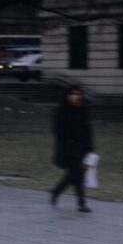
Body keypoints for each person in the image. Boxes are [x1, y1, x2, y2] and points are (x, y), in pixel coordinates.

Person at [50, 85, 95, 213]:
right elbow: (58, 131)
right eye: (74, 94)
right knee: (78, 174)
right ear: (67, 95)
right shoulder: (61, 111)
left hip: (81, 148)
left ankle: (56, 192)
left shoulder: (83, 109)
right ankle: (81, 203)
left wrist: (90, 148)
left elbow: (88, 130)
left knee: (73, 175)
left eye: (79, 94)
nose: (76, 96)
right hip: (67, 148)